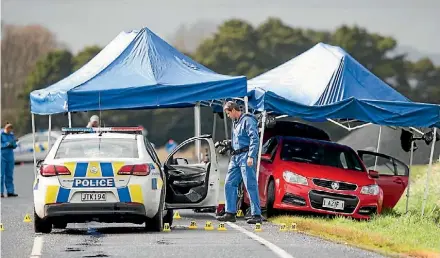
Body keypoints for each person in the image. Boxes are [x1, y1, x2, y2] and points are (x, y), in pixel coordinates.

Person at [217, 101, 262, 224]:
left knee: (250, 185)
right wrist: (228, 144)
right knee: (229, 183)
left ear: (233, 110)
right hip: (236, 157)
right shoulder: (236, 123)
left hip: (246, 156)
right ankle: (230, 212)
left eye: (228, 113)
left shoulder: (248, 120)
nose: (228, 116)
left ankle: (256, 214)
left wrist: (251, 156)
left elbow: (254, 138)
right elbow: (237, 139)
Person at [1, 122, 18, 198]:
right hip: (2, 156)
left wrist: (13, 144)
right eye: (8, 128)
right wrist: (6, 144)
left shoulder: (11, 135)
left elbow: (15, 145)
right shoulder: (1, 135)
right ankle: (1, 192)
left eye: (10, 129)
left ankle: (10, 191)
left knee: (9, 175)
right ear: (5, 128)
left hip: (10, 156)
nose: (9, 130)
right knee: (1, 175)